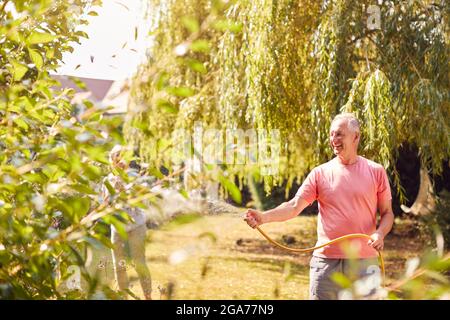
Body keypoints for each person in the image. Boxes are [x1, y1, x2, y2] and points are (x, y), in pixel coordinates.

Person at [245, 113, 394, 300]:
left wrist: (379, 234)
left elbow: (388, 213)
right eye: (331, 135)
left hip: (364, 262)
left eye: (339, 134)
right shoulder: (320, 173)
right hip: (325, 263)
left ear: (356, 136)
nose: (334, 140)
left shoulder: (376, 171)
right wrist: (263, 217)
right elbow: (293, 206)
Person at [102, 145, 152, 300]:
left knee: (139, 262)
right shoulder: (107, 181)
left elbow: (144, 202)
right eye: (116, 159)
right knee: (119, 265)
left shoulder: (135, 178)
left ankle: (148, 296)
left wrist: (128, 190)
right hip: (117, 228)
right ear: (112, 162)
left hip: (136, 225)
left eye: (122, 158)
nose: (120, 162)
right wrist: (111, 196)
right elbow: (105, 206)